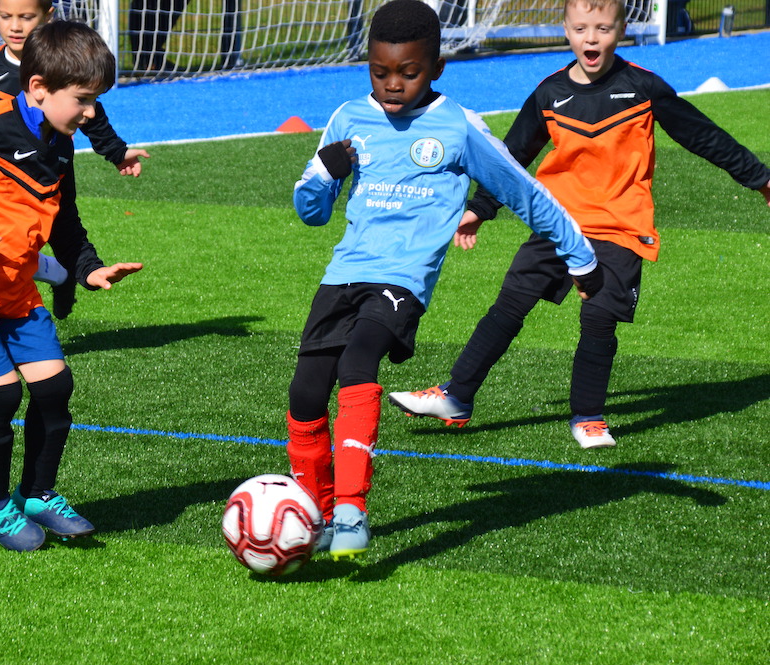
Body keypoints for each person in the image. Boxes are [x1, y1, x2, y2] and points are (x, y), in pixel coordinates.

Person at [287, 0, 603, 561]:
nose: (392, 84)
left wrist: (579, 255)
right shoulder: (347, 119)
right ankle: (316, 515)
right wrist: (322, 175)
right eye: (380, 72)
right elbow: (311, 212)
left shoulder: (458, 127)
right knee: (305, 393)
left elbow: (524, 192)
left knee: (358, 362)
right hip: (343, 274)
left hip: (401, 280)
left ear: (436, 67)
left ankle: (352, 512)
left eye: (408, 73)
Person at [388, 0, 770, 449]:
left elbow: (702, 135)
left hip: (619, 225)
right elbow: (511, 157)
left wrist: (760, 178)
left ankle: (588, 418)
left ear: (621, 31)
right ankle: (456, 396)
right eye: (582, 28)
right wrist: (481, 208)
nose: (592, 38)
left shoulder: (643, 87)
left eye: (603, 28)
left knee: (598, 319)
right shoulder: (549, 93)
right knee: (510, 305)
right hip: (557, 222)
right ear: (567, 31)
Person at [0, 20, 143, 551]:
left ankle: (37, 494)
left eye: (95, 101)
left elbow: (64, 220)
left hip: (14, 288)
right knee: (3, 394)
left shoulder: (62, 143)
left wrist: (87, 268)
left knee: (55, 388)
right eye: (83, 100)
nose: (91, 113)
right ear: (38, 88)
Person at [0, 0, 150, 319]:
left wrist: (117, 152)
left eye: (26, 17)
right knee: (1, 236)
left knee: (56, 222)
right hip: (1, 172)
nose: (15, 26)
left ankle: (66, 273)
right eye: (5, 16)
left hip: (53, 163)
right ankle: (54, 276)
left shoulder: (63, 67)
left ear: (47, 16)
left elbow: (92, 114)